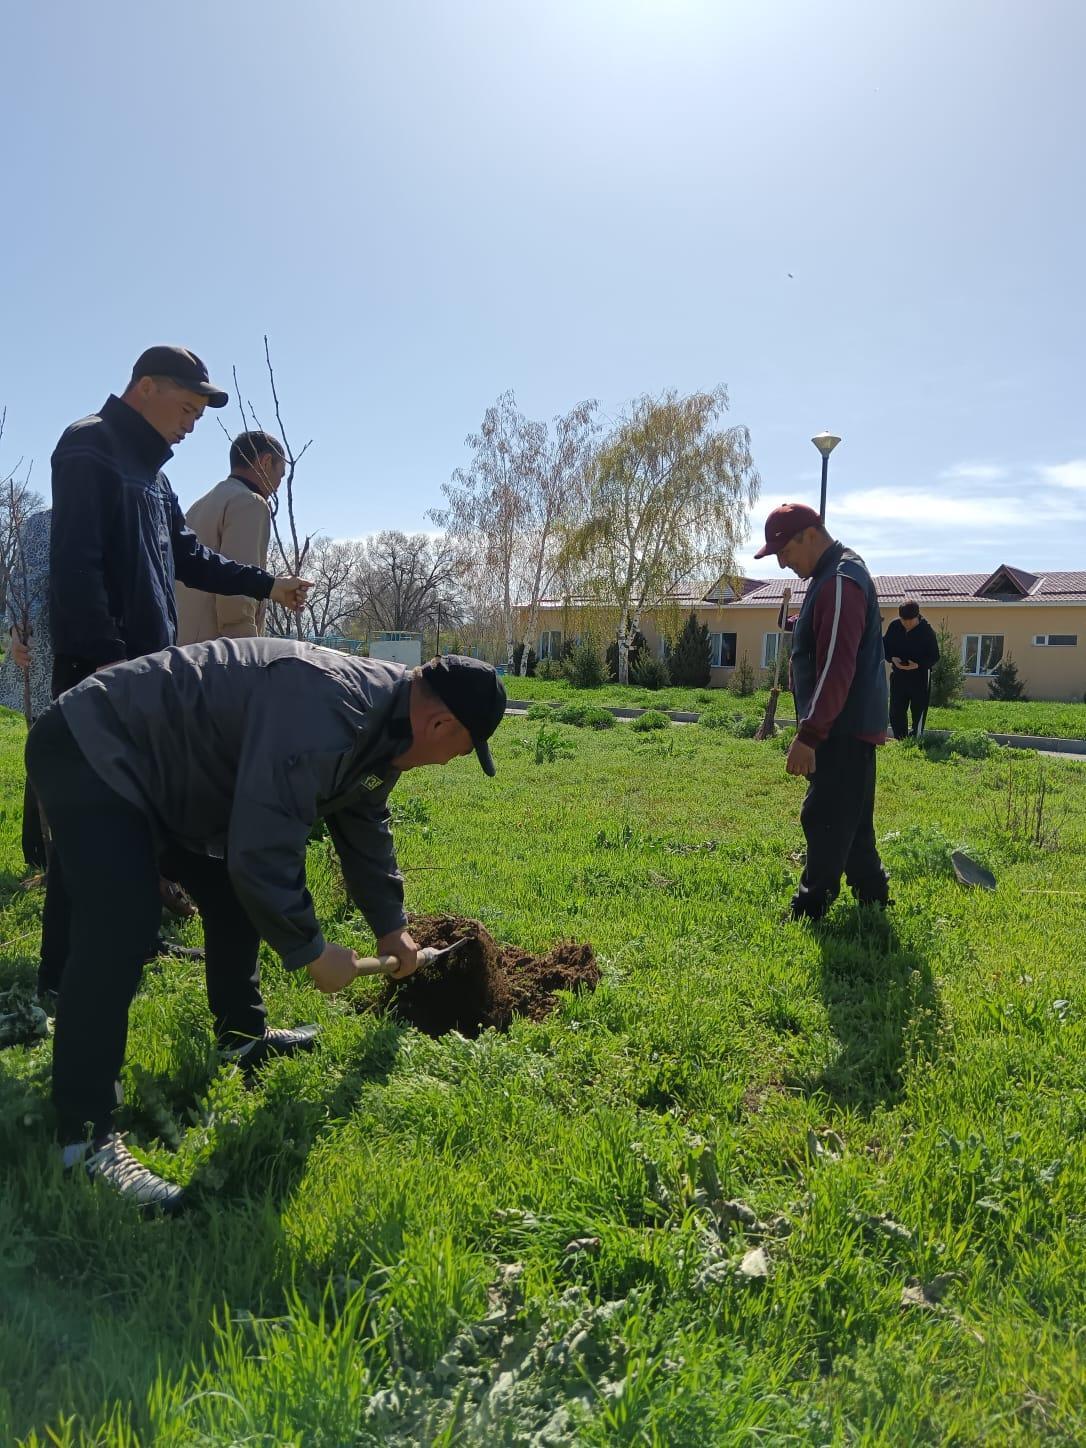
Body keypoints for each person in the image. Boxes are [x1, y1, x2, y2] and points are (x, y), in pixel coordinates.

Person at [25, 643, 507, 1214]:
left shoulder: (385, 725)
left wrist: (390, 926)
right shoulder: (330, 710)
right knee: (122, 927)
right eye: (463, 746)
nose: (455, 759)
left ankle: (242, 1039)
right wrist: (310, 950)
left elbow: (364, 816)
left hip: (168, 773)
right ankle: (84, 1142)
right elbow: (261, 849)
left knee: (229, 896)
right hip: (96, 745)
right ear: (440, 721)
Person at [40, 346, 312, 999]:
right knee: (89, 824)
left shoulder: (156, 479)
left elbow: (190, 558)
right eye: (186, 407)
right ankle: (60, 977)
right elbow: (76, 567)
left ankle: (130, 941)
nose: (192, 424)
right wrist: (108, 664)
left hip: (146, 677)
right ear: (146, 388)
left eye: (198, 412)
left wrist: (267, 583)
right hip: (102, 677)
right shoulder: (89, 448)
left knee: (136, 818)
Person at [754, 503, 890, 921]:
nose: (781, 562)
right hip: (848, 725)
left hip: (839, 728)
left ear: (809, 535)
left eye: (784, 551)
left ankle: (809, 908)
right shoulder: (831, 577)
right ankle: (873, 900)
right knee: (854, 824)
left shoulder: (839, 581)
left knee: (825, 816)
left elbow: (836, 664)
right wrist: (798, 621)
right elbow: (826, 637)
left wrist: (809, 735)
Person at [175, 430, 287, 645]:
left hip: (180, 648)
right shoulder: (251, 503)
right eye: (280, 474)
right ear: (266, 461)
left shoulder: (202, 503)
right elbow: (237, 599)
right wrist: (248, 654)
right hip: (215, 655)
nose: (277, 486)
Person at [0, 507, 52, 870]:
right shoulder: (43, 523)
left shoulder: (122, 510)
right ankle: (39, 854)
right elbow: (25, 584)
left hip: (101, 654)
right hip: (46, 656)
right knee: (46, 748)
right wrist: (17, 630)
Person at [883, 600, 939, 739]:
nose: (907, 623)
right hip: (899, 675)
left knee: (918, 709)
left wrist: (918, 665)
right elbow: (884, 647)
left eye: (910, 620)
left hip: (920, 677)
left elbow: (934, 656)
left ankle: (916, 738)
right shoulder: (894, 626)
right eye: (903, 620)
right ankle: (900, 739)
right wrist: (891, 658)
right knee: (896, 709)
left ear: (917, 616)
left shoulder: (927, 631)